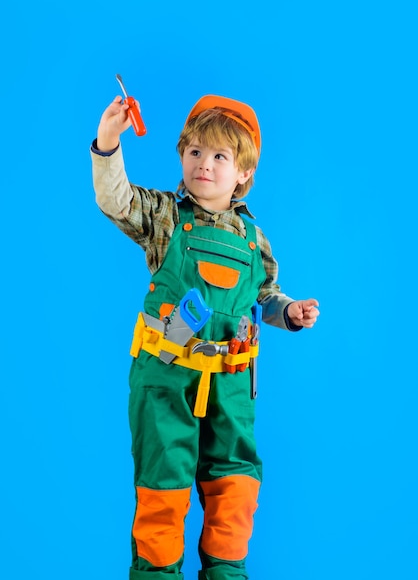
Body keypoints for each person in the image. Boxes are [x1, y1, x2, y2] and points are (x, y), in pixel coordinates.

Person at [91, 92, 319, 580]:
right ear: (181, 156)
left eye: (220, 157)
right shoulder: (165, 218)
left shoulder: (254, 241)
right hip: (168, 381)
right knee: (163, 493)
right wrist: (109, 143)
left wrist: (291, 313)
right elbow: (116, 199)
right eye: (195, 152)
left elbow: (267, 296)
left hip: (232, 390)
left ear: (243, 174)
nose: (205, 165)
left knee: (235, 491)